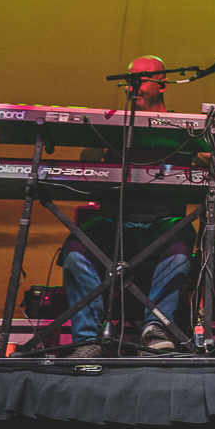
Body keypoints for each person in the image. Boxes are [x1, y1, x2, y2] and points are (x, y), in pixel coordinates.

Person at [62, 55, 197, 357]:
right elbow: (87, 160)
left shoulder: (185, 128)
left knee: (182, 237)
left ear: (162, 84)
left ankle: (156, 328)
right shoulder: (113, 122)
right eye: (129, 80)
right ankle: (87, 340)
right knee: (75, 247)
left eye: (141, 79)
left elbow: (203, 167)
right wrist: (110, 128)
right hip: (113, 221)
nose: (131, 87)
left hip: (162, 223)